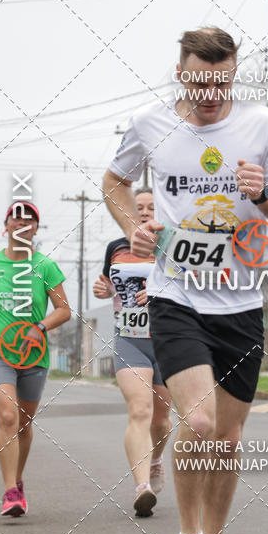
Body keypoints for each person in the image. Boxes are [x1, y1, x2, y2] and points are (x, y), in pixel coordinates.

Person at [103, 27, 268, 534]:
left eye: (222, 81)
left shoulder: (263, 126)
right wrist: (133, 228)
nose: (212, 93)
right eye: (200, 81)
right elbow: (114, 182)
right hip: (176, 298)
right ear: (181, 73)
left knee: (230, 438)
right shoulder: (150, 124)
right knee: (199, 420)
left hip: (240, 304)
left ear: (233, 75)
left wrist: (263, 195)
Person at [0, 201, 71, 517]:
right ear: (7, 225)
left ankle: (18, 479)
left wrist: (41, 327)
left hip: (34, 356)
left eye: (30, 219)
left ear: (36, 228)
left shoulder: (45, 266)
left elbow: (64, 310)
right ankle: (10, 491)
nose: (22, 223)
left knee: (24, 424)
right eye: (17, 217)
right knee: (8, 417)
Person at [93, 186, 172, 517]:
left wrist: (158, 293)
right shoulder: (116, 247)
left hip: (168, 339)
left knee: (161, 420)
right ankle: (142, 488)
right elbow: (107, 284)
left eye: (151, 207)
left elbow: (194, 287)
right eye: (138, 206)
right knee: (140, 410)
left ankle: (155, 460)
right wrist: (103, 288)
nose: (144, 212)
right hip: (129, 337)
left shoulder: (173, 245)